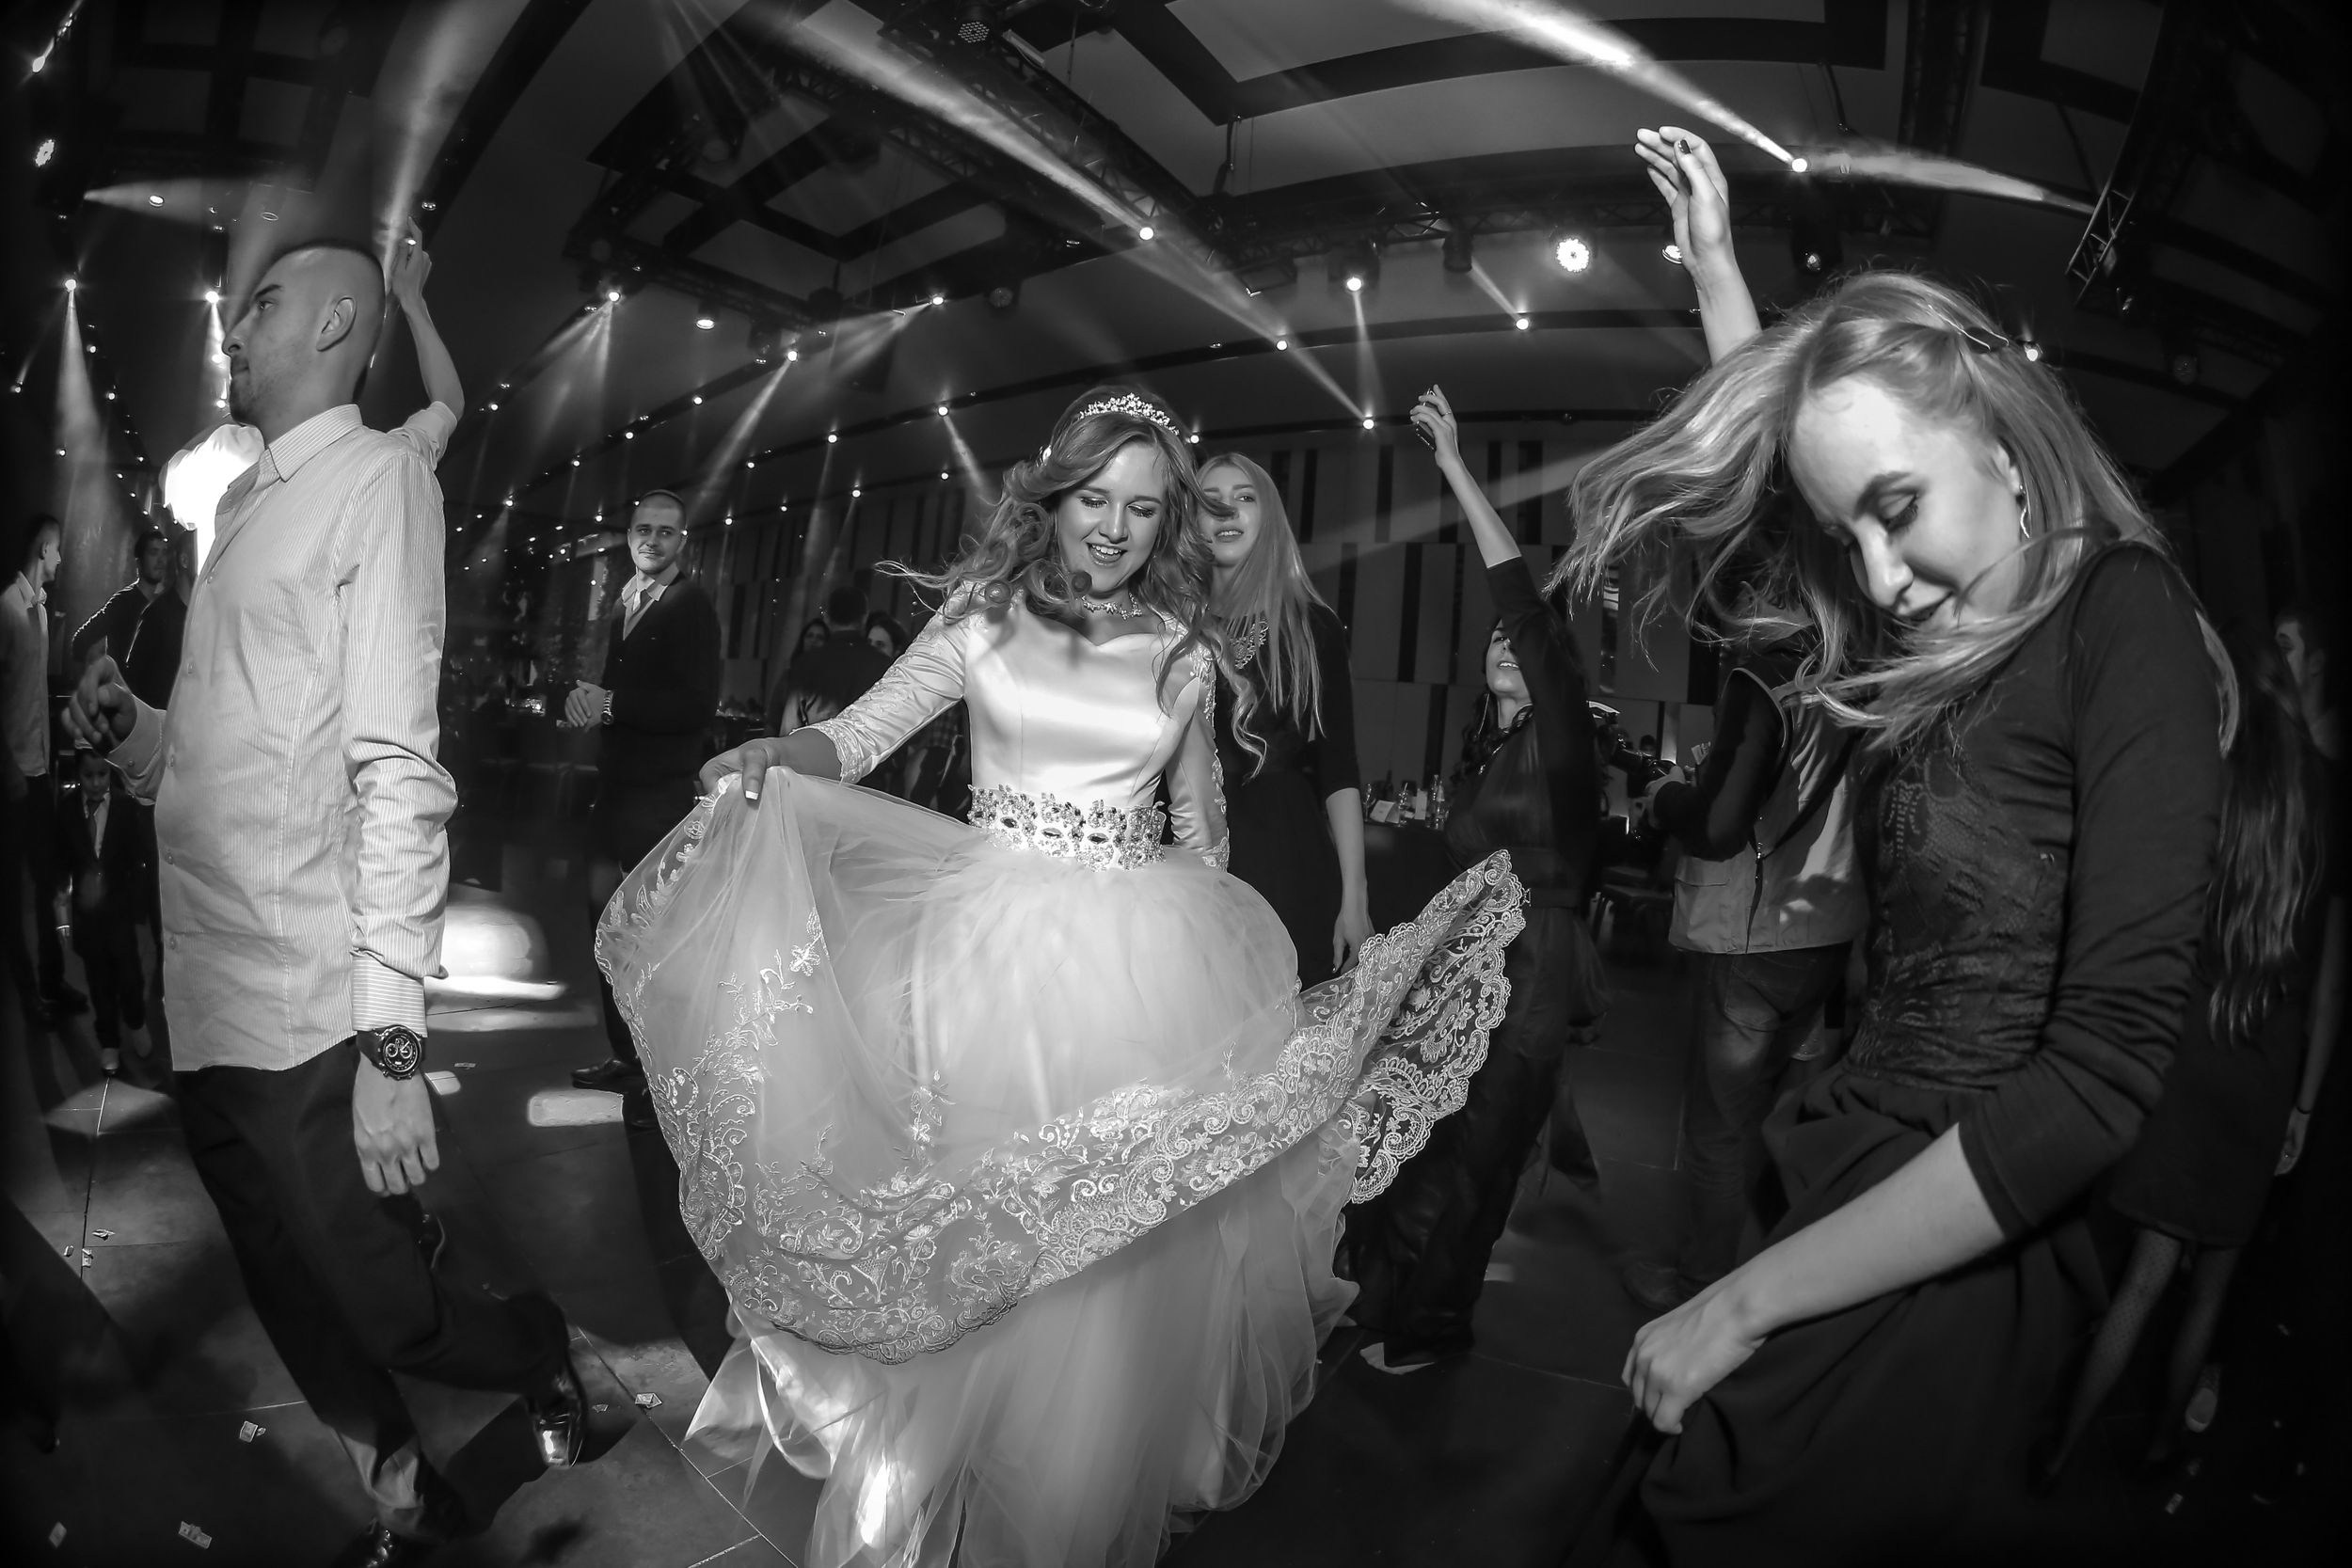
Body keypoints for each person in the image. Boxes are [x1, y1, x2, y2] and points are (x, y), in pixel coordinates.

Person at [594, 385, 1527, 1568]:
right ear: (1055, 494)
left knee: (1098, 1242)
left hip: (1129, 974)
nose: (1116, 527)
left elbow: (1202, 837)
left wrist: (1206, 954)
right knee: (974, 1212)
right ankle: (927, 1455)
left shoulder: (1179, 647)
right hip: (982, 957)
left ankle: (1058, 1480)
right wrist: (779, 750)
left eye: (1144, 508)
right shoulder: (983, 615)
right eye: (1096, 498)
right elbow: (864, 733)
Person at [1554, 173, 2232, 1557]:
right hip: (1845, 1163)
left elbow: (2097, 1084)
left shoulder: (2126, 613)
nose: (1875, 570)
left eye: (1898, 505)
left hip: (1967, 1228)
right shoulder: (1939, 646)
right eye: (1849, 531)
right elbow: (1782, 507)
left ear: (2005, 445)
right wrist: (1717, 275)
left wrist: (1740, 1299)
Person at [65, 237, 592, 1568]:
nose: (234, 326)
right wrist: (137, 736)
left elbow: (399, 771)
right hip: (205, 998)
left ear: (337, 322)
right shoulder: (244, 503)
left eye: (264, 302)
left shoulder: (379, 481)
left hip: (306, 999)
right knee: (289, 1293)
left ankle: (535, 1342)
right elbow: (224, 748)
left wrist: (393, 1045)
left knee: (388, 1302)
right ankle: (403, 1496)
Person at [1337, 383, 1607, 1373]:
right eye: (1495, 639)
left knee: (1482, 1148)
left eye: (1522, 642)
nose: (1506, 643)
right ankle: (1381, 1295)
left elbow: (1519, 599)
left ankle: (1432, 1326)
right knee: (1418, 1129)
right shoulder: (1483, 751)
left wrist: (1452, 463)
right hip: (1461, 957)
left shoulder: (1561, 739)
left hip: (1533, 963)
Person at [2041, 633, 2343, 1481]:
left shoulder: (2206, 780)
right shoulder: (2326, 799)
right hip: (2264, 1075)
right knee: (2211, 1290)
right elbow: (2328, 988)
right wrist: (2305, 1105)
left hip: (2191, 1052)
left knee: (2144, 1279)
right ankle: (2163, 1445)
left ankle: (2056, 1456)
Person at [1621, 624, 1866, 1312]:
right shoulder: (1861, 678)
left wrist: (1666, 797)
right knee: (1778, 1121)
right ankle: (1767, 1286)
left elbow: (1719, 824)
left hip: (1757, 936)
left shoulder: (1767, 679)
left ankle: (1700, 1295)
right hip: (1828, 933)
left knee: (1718, 1131)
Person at [564, 489, 720, 1115]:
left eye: (665, 531)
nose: (651, 540)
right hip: (616, 791)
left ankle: (662, 1073)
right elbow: (618, 694)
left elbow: (696, 705)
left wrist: (611, 703)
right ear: (629, 536)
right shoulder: (627, 601)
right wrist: (590, 700)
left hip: (658, 798)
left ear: (682, 541)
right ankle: (628, 1057)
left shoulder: (690, 606)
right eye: (641, 530)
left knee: (651, 938)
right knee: (605, 927)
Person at [1198, 451, 1371, 988]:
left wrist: (1355, 897)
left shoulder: (1310, 626)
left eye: (1244, 498)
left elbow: (1339, 769)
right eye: (1211, 501)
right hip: (1187, 852)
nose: (1228, 511)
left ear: (1268, 516)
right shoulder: (1169, 626)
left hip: (1283, 856)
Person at [4, 512, 84, 1022]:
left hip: (36, 770)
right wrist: (9, 767)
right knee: (14, 891)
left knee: (48, 878)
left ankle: (51, 983)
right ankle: (30, 993)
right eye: (57, 549)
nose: (61, 558)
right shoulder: (8, 610)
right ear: (42, 549)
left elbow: (34, 695)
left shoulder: (38, 610)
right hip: (14, 773)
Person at [56, 739, 148, 1075]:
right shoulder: (67, 810)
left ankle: (136, 1021)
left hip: (119, 910)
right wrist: (62, 911)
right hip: (87, 915)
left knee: (130, 975)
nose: (96, 783)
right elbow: (61, 862)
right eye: (88, 775)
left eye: (102, 775)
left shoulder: (124, 807)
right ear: (78, 775)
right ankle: (108, 1039)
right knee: (99, 981)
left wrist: (137, 904)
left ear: (111, 772)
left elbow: (136, 858)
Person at [765, 583, 889, 735]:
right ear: (864, 617)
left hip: (814, 748)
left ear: (827, 617)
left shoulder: (806, 664)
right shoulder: (884, 666)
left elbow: (789, 730)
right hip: (871, 748)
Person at [67, 526, 173, 674]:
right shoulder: (123, 602)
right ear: (139, 561)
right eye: (154, 552)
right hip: (121, 686)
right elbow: (81, 641)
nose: (161, 560)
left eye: (164, 553)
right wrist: (92, 679)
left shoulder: (164, 605)